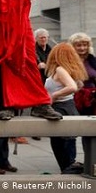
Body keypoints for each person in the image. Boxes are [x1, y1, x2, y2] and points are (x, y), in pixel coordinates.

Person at [44, 43, 87, 174]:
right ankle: (69, 166)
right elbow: (78, 85)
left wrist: (55, 95)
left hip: (61, 107)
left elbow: (73, 87)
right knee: (66, 140)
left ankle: (68, 167)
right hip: (67, 106)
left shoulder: (60, 70)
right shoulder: (65, 69)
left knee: (61, 141)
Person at [68, 32, 96, 116]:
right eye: (79, 45)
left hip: (92, 98)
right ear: (72, 47)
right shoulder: (68, 60)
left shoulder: (92, 60)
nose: (82, 48)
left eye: (85, 45)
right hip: (74, 97)